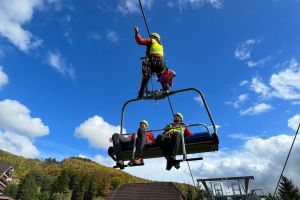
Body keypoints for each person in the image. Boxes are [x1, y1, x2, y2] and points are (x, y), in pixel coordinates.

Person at [134, 26, 175, 99]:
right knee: (162, 77)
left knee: (145, 78)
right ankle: (166, 90)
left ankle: (141, 94)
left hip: (152, 62)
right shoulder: (161, 45)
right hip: (161, 63)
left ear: (153, 37)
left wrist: (137, 32)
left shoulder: (152, 40)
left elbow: (140, 41)